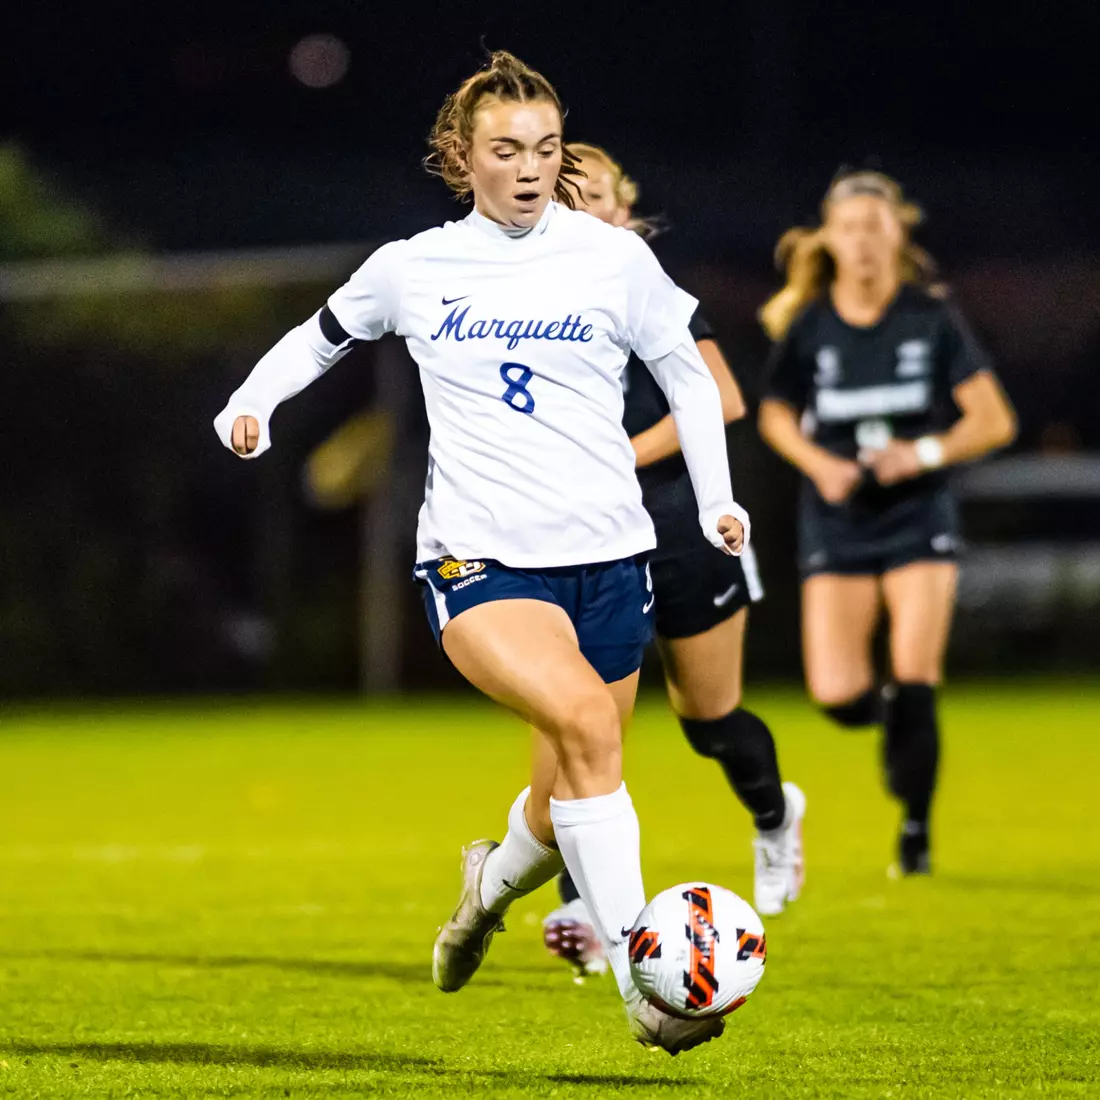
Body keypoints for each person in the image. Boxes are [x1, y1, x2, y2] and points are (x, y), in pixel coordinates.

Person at [212, 51, 749, 1054]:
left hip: (609, 561)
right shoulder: (414, 266)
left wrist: (716, 500)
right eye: (507, 149)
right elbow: (318, 335)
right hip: (478, 565)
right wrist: (251, 402)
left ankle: (482, 892)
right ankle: (647, 982)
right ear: (463, 156)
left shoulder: (612, 261)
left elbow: (689, 381)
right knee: (588, 722)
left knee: (566, 786)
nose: (531, 166)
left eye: (545, 147)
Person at [541, 143, 805, 982]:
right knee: (583, 723)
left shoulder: (647, 283)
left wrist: (617, 451)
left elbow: (723, 398)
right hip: (588, 540)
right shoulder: (530, 298)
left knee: (708, 719)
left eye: (604, 199)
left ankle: (774, 816)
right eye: (571, 199)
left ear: (626, 209)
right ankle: (584, 908)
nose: (591, 213)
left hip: (681, 530)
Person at [757, 168, 1017, 875]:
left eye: (877, 227)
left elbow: (993, 420)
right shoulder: (811, 325)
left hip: (916, 512)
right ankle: (899, 722)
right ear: (830, 240)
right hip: (839, 515)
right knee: (838, 695)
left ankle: (916, 829)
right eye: (850, 228)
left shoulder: (930, 317)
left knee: (915, 670)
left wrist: (924, 451)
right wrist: (818, 464)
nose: (864, 241)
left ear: (898, 233)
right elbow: (774, 413)